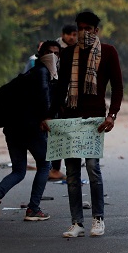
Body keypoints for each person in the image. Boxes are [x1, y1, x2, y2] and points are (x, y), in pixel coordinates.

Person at [54, 10, 123, 238]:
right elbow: (60, 88)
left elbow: (117, 87)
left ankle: (98, 219)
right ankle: (76, 222)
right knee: (72, 173)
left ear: (96, 30)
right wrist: (50, 116)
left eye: (87, 28)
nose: (83, 33)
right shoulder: (67, 55)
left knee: (93, 169)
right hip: (70, 120)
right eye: (79, 28)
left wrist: (112, 115)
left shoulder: (109, 53)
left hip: (94, 120)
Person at [0, 40, 60, 223]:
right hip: (31, 129)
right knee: (44, 165)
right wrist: (46, 117)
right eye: (49, 53)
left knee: (19, 170)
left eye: (56, 53)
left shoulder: (28, 75)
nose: (53, 57)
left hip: (12, 129)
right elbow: (43, 97)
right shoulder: (42, 73)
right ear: (41, 55)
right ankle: (33, 209)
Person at [49, 24, 77, 181]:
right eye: (69, 34)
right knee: (58, 133)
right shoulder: (56, 49)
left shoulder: (79, 50)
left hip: (71, 98)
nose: (72, 37)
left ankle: (61, 168)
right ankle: (55, 169)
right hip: (58, 97)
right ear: (63, 35)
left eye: (74, 34)